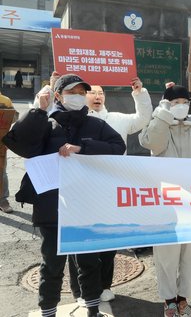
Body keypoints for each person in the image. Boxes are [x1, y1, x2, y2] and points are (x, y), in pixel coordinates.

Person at [2, 74, 126, 317]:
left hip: (86, 206)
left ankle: (92, 309)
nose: (78, 97)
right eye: (72, 92)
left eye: (82, 92)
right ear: (58, 95)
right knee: (52, 265)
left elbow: (117, 147)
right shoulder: (46, 123)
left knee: (90, 262)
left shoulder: (96, 125)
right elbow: (19, 144)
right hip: (51, 207)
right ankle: (48, 311)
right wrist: (38, 109)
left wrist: (83, 148)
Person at [66, 77, 153, 305]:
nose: (97, 96)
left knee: (109, 240)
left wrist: (139, 94)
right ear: (83, 96)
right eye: (92, 92)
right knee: (79, 241)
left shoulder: (116, 119)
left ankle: (105, 285)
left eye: (101, 93)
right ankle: (80, 290)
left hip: (110, 189)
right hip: (80, 190)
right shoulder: (72, 120)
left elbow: (143, 119)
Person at [139, 84, 191, 317]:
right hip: (165, 204)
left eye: (184, 102)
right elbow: (150, 142)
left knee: (189, 254)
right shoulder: (160, 129)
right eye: (174, 103)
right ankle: (168, 299)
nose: (180, 106)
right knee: (166, 254)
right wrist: (162, 113)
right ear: (166, 105)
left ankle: (184, 297)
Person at [0, 92, 15, 213]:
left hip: (1, 142)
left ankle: (3, 200)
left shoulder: (5, 100)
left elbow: (13, 119)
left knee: (1, 172)